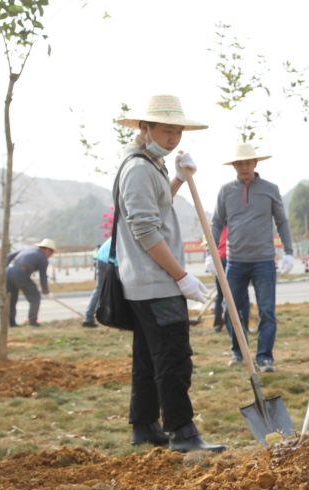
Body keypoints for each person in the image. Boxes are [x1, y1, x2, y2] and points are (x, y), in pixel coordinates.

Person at [115, 94, 224, 453]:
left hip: (149, 281)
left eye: (178, 132)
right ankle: (181, 430)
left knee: (149, 356)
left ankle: (145, 425)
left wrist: (177, 178)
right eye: (166, 131)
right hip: (156, 281)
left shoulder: (150, 164)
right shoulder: (138, 169)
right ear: (145, 128)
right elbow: (146, 230)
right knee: (174, 357)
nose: (174, 139)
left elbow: (158, 207)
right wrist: (180, 276)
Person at [211, 143, 294, 372]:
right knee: (229, 309)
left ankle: (265, 357)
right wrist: (211, 254)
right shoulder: (225, 191)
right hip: (235, 261)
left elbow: (282, 221)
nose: (244, 167)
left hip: (263, 261)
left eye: (247, 162)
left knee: (267, 310)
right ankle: (239, 351)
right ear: (234, 166)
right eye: (239, 163)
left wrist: (289, 252)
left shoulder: (270, 189)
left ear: (255, 163)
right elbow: (217, 223)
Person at [206, 226, 249, 334]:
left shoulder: (218, 227)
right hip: (233, 259)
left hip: (220, 259)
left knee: (221, 295)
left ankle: (218, 325)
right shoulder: (237, 225)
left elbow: (209, 242)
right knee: (242, 295)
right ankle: (243, 326)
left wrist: (209, 256)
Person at [6, 238, 55, 327]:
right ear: (48, 250)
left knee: (12, 299)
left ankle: (11, 323)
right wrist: (46, 292)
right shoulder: (43, 258)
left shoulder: (28, 249)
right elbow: (43, 276)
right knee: (35, 297)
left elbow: (9, 256)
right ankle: (33, 322)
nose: (51, 255)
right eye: (51, 253)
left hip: (8, 272)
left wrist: (7, 268)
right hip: (20, 274)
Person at [81, 237, 112, 328]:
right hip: (107, 261)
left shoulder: (122, 231)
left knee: (100, 289)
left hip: (102, 259)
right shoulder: (129, 233)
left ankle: (89, 317)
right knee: (102, 289)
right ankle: (89, 317)